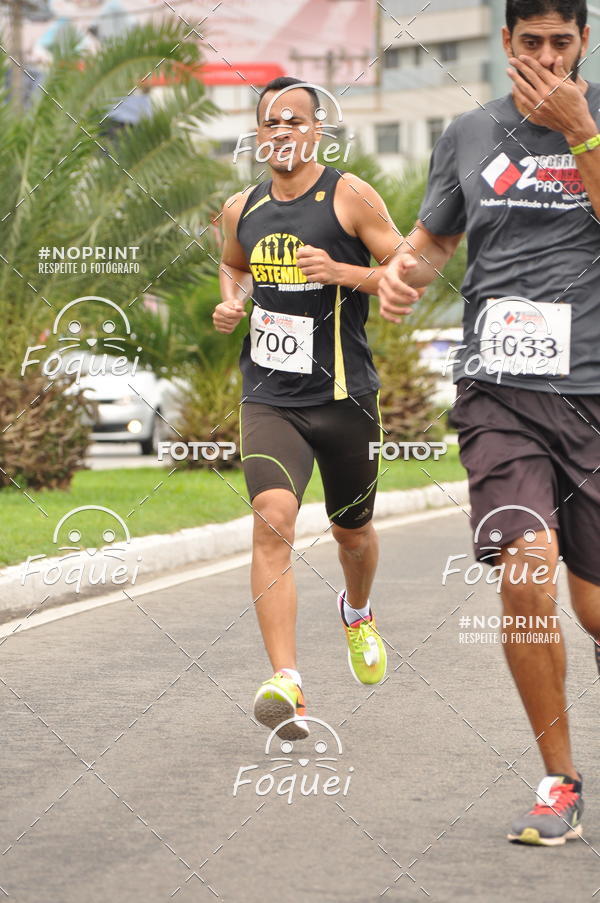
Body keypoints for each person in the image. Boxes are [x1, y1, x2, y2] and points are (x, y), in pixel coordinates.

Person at [379, 0, 600, 845]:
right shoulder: (470, 135)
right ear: (505, 43)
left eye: (562, 42)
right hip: (498, 394)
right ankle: (559, 781)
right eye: (531, 42)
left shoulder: (597, 117)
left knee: (593, 608)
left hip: (592, 393)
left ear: (584, 42)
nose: (546, 57)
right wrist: (403, 274)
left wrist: (580, 130)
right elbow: (433, 240)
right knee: (525, 568)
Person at [213, 77, 402, 740]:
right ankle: (286, 681)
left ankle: (358, 610)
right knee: (273, 519)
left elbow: (406, 268)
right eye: (271, 122)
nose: (283, 132)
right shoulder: (242, 207)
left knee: (353, 533)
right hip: (270, 395)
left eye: (296, 120)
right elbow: (234, 264)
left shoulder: (348, 195)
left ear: (317, 129)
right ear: (258, 134)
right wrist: (231, 301)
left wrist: (344, 273)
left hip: (345, 399)